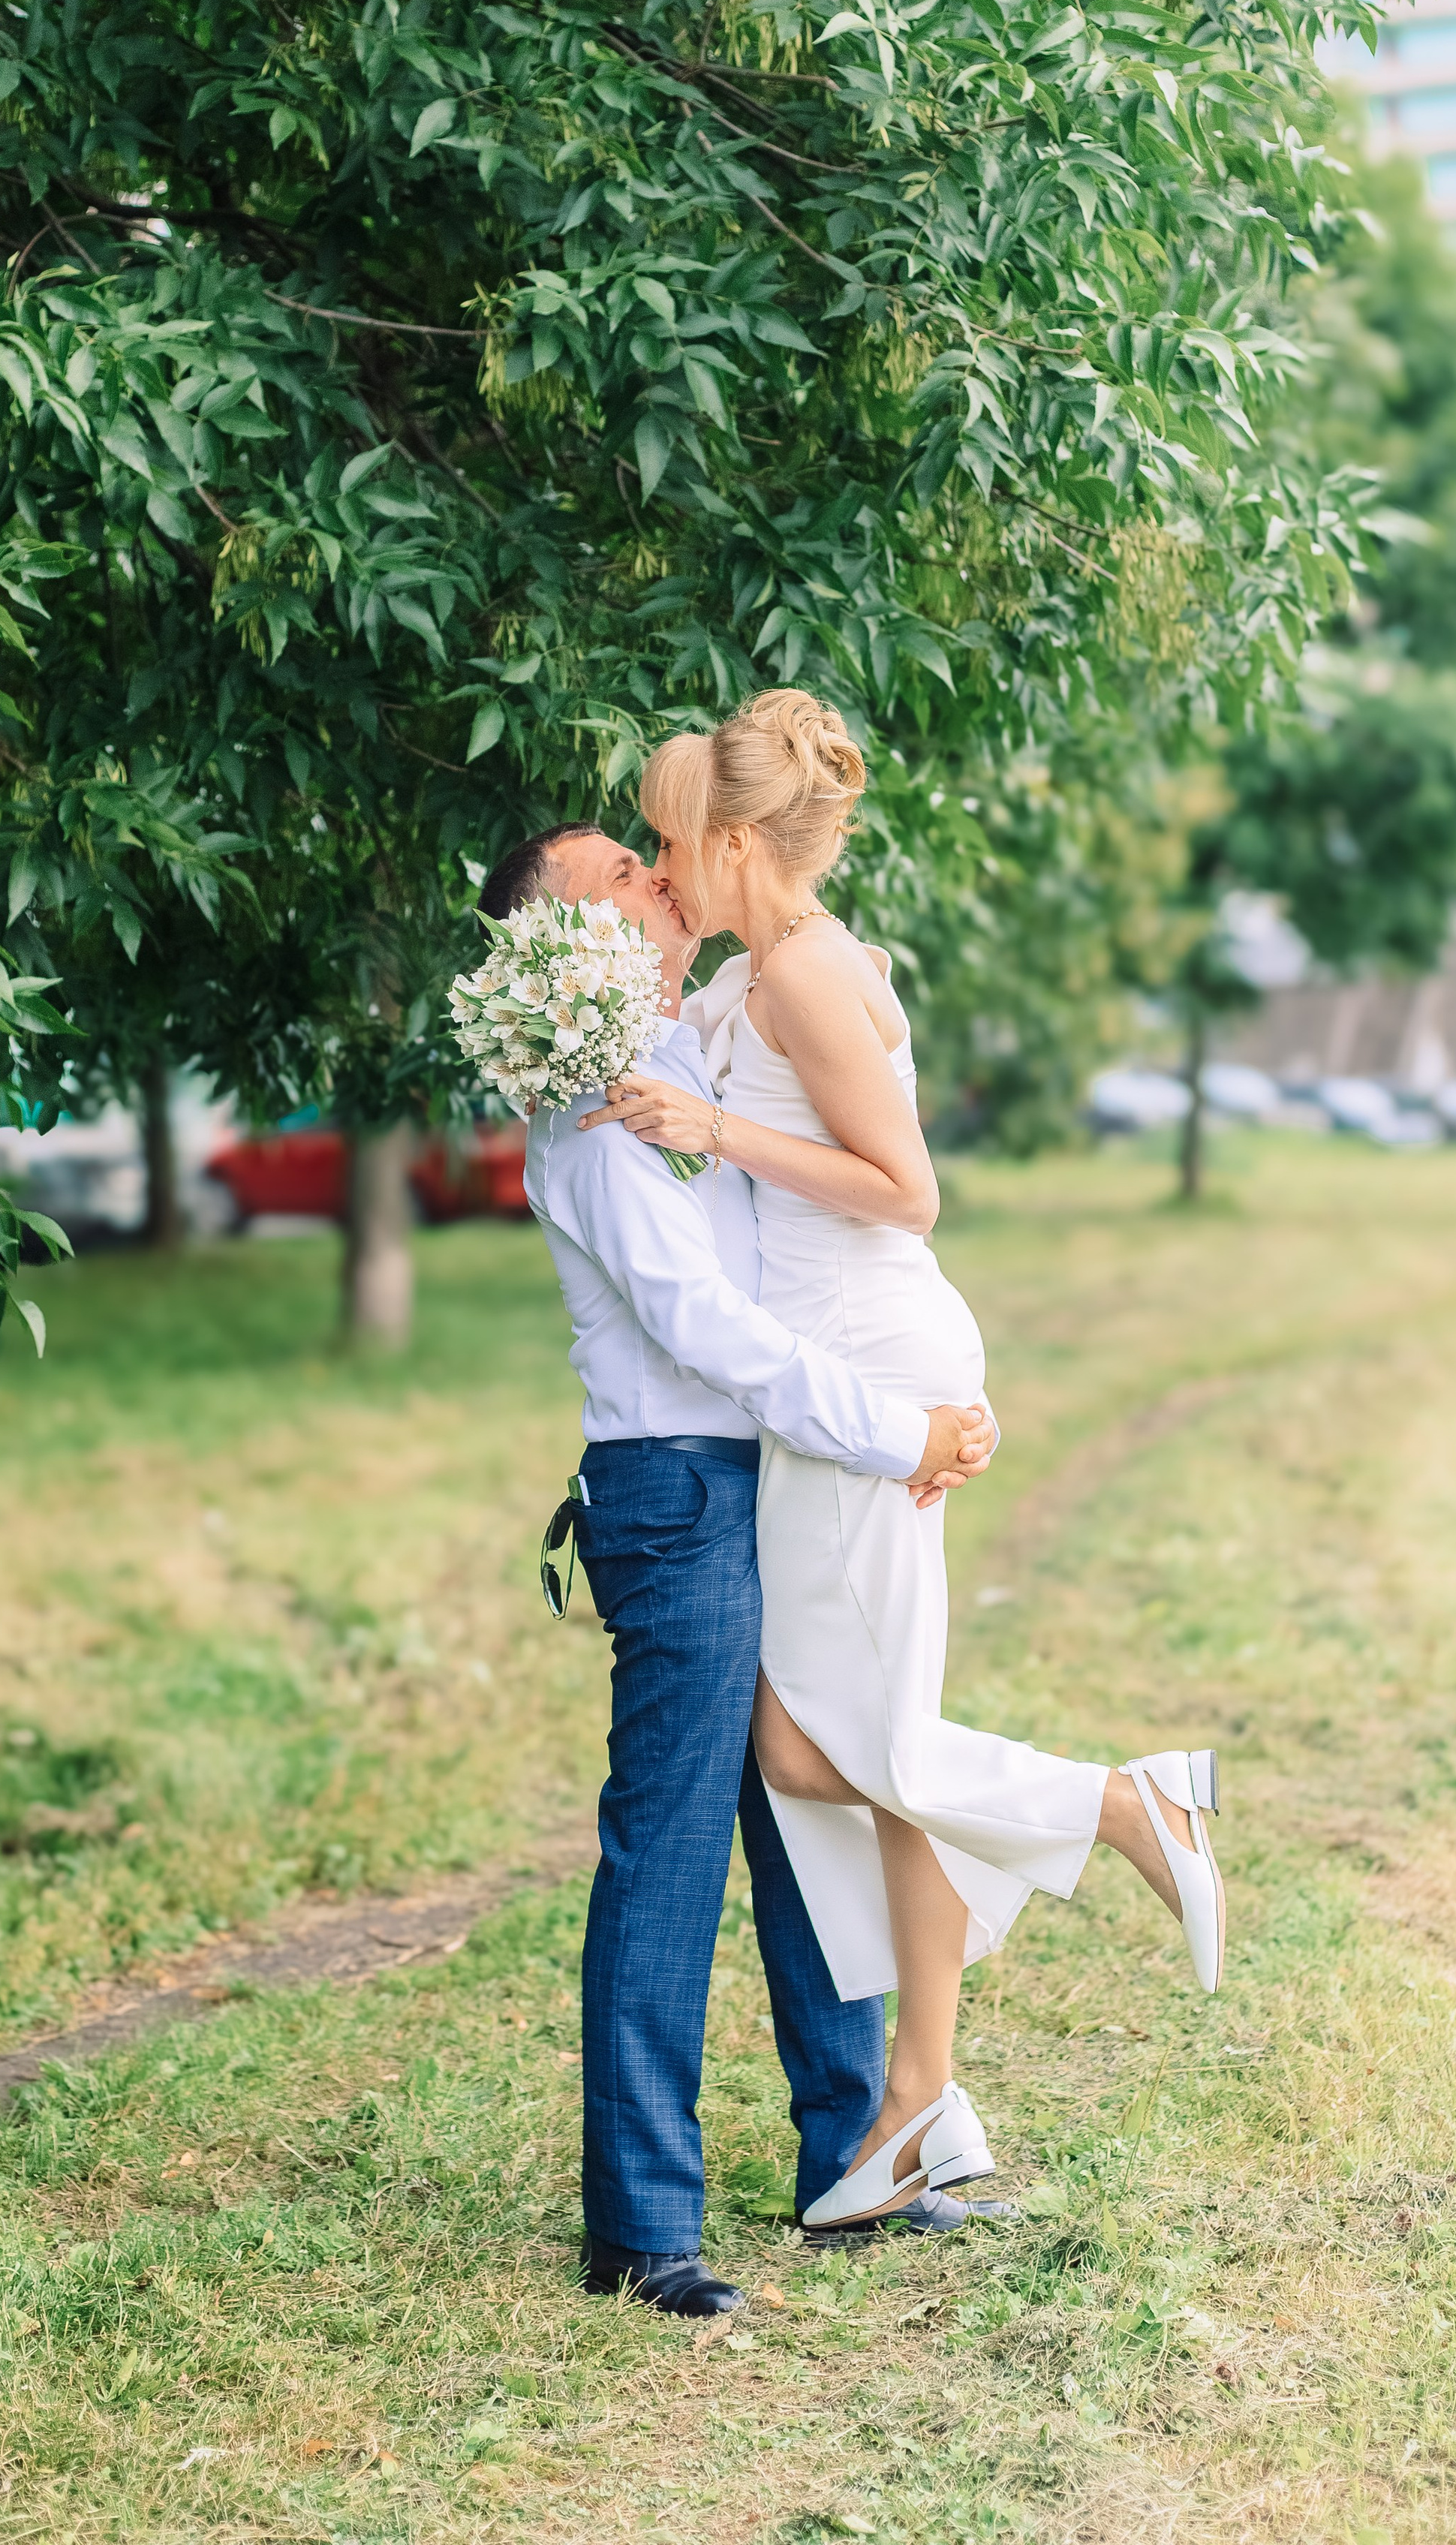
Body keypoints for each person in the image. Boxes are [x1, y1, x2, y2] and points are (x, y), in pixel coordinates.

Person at [579, 690, 1227, 2230]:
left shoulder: (805, 970)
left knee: (838, 1744)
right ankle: (916, 2094)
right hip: (846, 1374)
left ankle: (1128, 1806)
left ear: (737, 841)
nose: (665, 869)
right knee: (825, 1746)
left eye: (674, 842)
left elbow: (905, 1190)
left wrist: (714, 1135)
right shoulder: (759, 972)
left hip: (865, 1363)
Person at [480, 819, 1001, 2320]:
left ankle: (854, 2161)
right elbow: (713, 1335)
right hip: (680, 1494)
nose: (660, 876)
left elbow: (821, 1073)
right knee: (671, 1850)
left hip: (768, 1476)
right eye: (624, 876)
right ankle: (640, 2227)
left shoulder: (689, 1049)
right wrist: (894, 1423)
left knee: (812, 1805)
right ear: (563, 945)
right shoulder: (590, 1107)